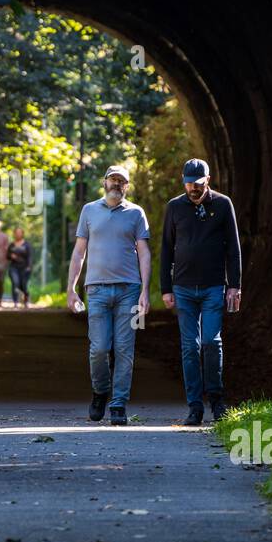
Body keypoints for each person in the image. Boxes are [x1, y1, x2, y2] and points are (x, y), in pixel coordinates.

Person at [66, 165, 151, 426]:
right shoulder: (89, 211)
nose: (117, 184)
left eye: (122, 181)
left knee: (125, 349)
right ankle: (101, 391)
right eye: (113, 180)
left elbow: (144, 252)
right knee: (99, 348)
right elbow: (80, 251)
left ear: (127, 186)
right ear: (104, 183)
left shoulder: (136, 213)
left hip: (129, 290)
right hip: (97, 290)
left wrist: (145, 291)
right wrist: (71, 288)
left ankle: (118, 404)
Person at [160, 158, 242, 425]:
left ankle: (217, 401)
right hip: (182, 288)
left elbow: (233, 248)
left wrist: (235, 286)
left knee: (210, 341)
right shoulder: (174, 207)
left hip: (213, 286)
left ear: (207, 180)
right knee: (189, 347)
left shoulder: (222, 204)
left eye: (197, 183)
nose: (192, 188)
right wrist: (165, 288)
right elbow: (166, 249)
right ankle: (195, 407)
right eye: (188, 183)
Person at [7, 227, 32, 307]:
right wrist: (11, 256)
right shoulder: (11, 245)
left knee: (24, 285)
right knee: (15, 283)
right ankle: (15, 302)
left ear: (22, 234)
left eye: (19, 232)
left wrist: (29, 266)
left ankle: (26, 300)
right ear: (14, 234)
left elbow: (30, 257)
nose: (18, 234)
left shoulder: (26, 245)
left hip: (24, 267)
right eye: (16, 232)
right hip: (14, 267)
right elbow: (7, 256)